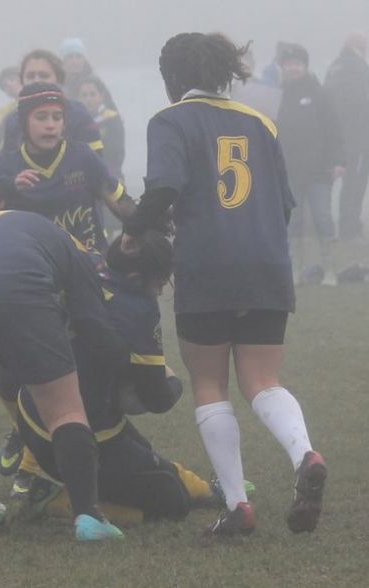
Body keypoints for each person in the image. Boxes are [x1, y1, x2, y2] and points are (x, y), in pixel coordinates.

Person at [121, 32, 327, 537]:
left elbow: (165, 186)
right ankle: (305, 453)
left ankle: (238, 506)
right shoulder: (261, 122)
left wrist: (131, 232)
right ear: (224, 75)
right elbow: (283, 204)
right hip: (266, 266)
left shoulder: (169, 121)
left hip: (208, 265)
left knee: (210, 384)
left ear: (172, 80)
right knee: (263, 382)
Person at [16, 232, 254, 523]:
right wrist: (171, 380)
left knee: (144, 454)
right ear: (133, 277)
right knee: (172, 502)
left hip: (31, 411)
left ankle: (206, 489)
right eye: (157, 285)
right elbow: (157, 399)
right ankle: (56, 499)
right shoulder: (135, 309)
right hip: (77, 435)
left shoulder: (87, 264)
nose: (157, 293)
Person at [0, 205, 129, 541]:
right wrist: (130, 362)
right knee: (65, 409)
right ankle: (89, 517)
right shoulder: (80, 253)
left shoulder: (15, 224)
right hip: (13, 283)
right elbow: (92, 325)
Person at [0, 82, 135, 253]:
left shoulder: (83, 157)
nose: (50, 125)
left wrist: (152, 222)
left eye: (57, 117)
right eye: (41, 117)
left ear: (64, 123)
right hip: (36, 269)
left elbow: (122, 204)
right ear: (23, 123)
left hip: (91, 265)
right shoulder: (6, 168)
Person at [276, 43, 345, 284]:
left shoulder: (320, 93)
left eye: (297, 64)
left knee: (322, 218)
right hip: (289, 172)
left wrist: (338, 161)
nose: (293, 68)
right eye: (289, 64)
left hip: (319, 171)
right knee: (292, 221)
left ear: (305, 66)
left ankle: (330, 269)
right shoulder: (279, 95)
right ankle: (295, 268)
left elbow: (334, 128)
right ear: (283, 67)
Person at [0, 49, 103, 157]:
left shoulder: (78, 114)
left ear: (58, 79)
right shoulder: (13, 120)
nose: (36, 80)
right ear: (22, 81)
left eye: (44, 76)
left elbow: (95, 163)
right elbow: (5, 166)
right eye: (30, 76)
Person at [324, 32, 369, 241]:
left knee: (332, 182)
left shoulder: (334, 67)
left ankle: (325, 227)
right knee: (355, 184)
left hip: (334, 138)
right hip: (357, 138)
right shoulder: (359, 69)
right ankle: (349, 229)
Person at [78, 76, 125, 179]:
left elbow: (116, 152)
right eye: (84, 95)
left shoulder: (112, 118)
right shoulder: (74, 120)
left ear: (101, 96)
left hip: (109, 174)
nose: (88, 99)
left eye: (92, 94)